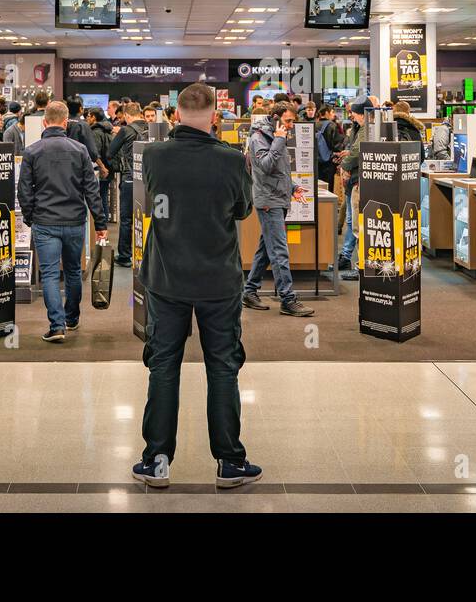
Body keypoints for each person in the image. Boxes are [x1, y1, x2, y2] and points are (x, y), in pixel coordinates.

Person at [134, 83, 261, 489]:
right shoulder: (231, 160)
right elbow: (242, 210)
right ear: (214, 116)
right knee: (222, 367)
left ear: (175, 116)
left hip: (166, 277)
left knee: (163, 366)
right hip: (218, 280)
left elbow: (154, 199)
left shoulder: (153, 156)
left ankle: (156, 460)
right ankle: (229, 462)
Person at [17, 101, 107, 342]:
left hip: (44, 221)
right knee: (73, 272)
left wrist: (30, 217)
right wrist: (100, 223)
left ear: (45, 122)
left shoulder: (32, 151)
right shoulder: (79, 150)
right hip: (75, 220)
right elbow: (91, 189)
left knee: (48, 274)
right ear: (66, 123)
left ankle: (57, 326)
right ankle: (72, 318)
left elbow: (24, 191)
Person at [243, 101, 314, 317]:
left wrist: (292, 188)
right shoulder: (258, 138)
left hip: (278, 198)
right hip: (269, 202)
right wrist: (280, 140)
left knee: (267, 248)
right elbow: (265, 166)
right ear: (276, 119)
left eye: (293, 120)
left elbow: (278, 170)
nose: (292, 125)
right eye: (288, 121)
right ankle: (287, 299)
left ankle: (249, 291)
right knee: (279, 251)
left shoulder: (275, 137)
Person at [107, 101, 149, 267]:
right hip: (149, 179)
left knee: (127, 219)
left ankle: (125, 255)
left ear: (127, 115)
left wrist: (118, 166)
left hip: (130, 179)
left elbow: (110, 152)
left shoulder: (126, 130)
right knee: (148, 218)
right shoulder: (151, 128)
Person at [336, 97, 370, 278]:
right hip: (359, 181)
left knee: (358, 226)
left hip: (359, 181)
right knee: (355, 223)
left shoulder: (366, 129)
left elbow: (358, 152)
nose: (352, 117)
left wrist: (345, 166)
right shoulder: (364, 128)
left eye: (354, 113)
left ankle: (361, 267)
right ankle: (356, 262)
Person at [314, 104, 344, 189]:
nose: (333, 114)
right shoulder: (332, 125)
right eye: (332, 112)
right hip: (328, 162)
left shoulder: (314, 125)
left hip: (316, 162)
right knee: (328, 187)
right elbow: (337, 145)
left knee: (318, 187)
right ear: (327, 113)